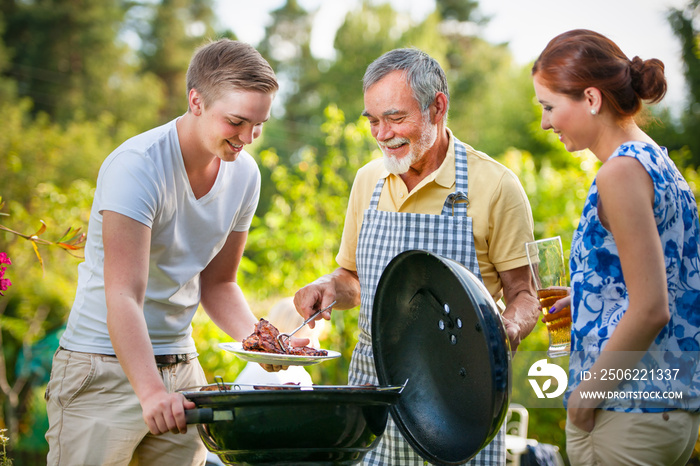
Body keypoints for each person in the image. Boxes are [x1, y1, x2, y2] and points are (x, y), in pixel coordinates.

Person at [294, 47, 540, 465]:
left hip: (459, 400)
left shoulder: (495, 185)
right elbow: (354, 279)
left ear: (438, 106)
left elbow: (526, 294)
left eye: (395, 117)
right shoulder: (368, 180)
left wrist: (508, 329)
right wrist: (328, 287)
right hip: (375, 395)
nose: (382, 133)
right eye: (372, 120)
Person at [45, 38, 280, 466]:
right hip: (102, 369)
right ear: (196, 101)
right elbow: (123, 296)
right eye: (236, 121)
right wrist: (150, 390)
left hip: (181, 372)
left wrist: (265, 345)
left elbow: (219, 283)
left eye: (258, 125)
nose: (248, 138)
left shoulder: (244, 174)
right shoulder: (137, 167)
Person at [532, 29, 700, 466]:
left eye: (549, 107)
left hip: (626, 414)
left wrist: (585, 399)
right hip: (669, 409)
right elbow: (662, 282)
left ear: (591, 98)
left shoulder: (619, 172)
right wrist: (587, 298)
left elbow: (651, 308)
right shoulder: (657, 161)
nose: (545, 123)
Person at [234, 297, 325, 386]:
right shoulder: (290, 374)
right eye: (310, 336)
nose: (316, 344)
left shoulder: (255, 364)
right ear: (288, 332)